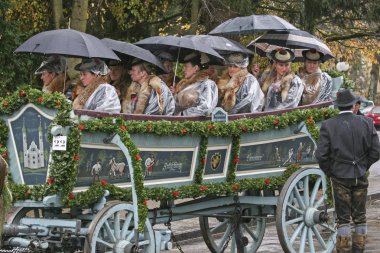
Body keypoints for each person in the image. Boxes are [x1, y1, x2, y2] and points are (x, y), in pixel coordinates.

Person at [316, 89, 380, 253]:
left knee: (343, 219)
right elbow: (376, 151)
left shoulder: (328, 125)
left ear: (338, 106)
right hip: (360, 175)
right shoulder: (367, 123)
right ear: (353, 105)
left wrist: (332, 171)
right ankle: (359, 250)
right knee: (360, 217)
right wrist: (363, 166)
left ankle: (344, 250)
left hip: (339, 177)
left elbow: (322, 155)